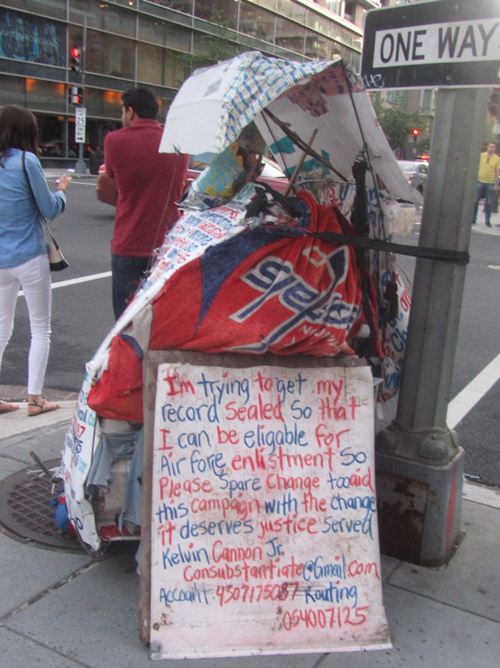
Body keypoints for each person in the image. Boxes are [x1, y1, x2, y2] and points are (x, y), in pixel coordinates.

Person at [0, 105, 71, 415]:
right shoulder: (27, 161)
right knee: (40, 328)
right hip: (29, 255)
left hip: (0, 259)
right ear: (26, 132)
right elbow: (50, 209)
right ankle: (34, 398)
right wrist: (62, 190)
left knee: (1, 329)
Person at [103, 86, 189, 320]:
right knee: (162, 320)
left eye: (123, 112)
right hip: (167, 246)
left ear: (130, 112)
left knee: (126, 324)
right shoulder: (178, 143)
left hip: (128, 243)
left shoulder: (115, 141)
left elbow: (113, 182)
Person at [472, 141, 500, 227]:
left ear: (495, 149)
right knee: (476, 200)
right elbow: (475, 165)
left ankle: (487, 220)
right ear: (487, 147)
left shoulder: (497, 159)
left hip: (490, 182)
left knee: (489, 202)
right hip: (480, 180)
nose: (491, 148)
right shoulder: (481, 155)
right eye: (489, 146)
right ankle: (473, 218)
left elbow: (497, 171)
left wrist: (496, 183)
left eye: (492, 147)